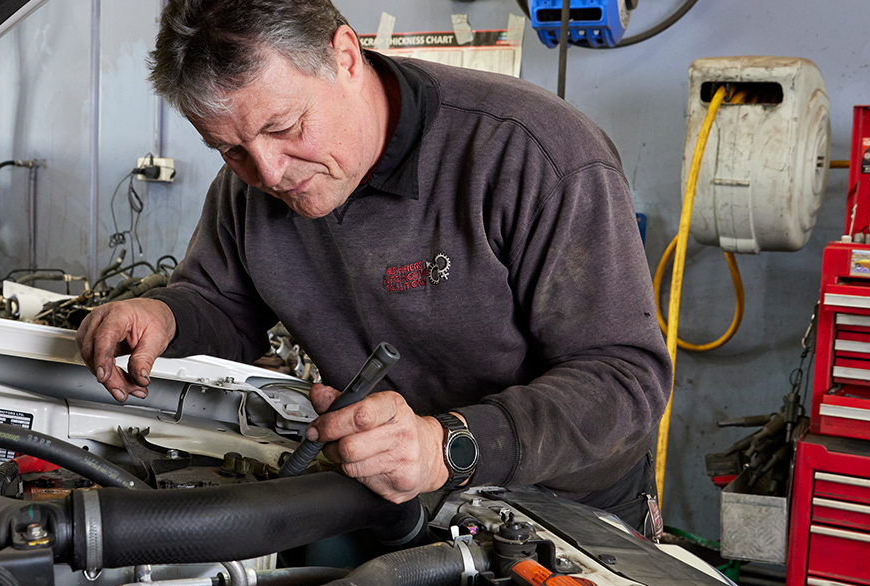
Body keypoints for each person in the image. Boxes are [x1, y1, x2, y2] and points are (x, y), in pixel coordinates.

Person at [75, 0, 672, 529]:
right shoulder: (250, 188)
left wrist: (449, 445)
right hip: (386, 500)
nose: (270, 174)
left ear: (345, 55)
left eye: (284, 127)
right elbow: (224, 304)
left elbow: (624, 377)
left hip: (563, 513)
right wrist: (164, 314)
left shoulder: (532, 153)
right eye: (231, 149)